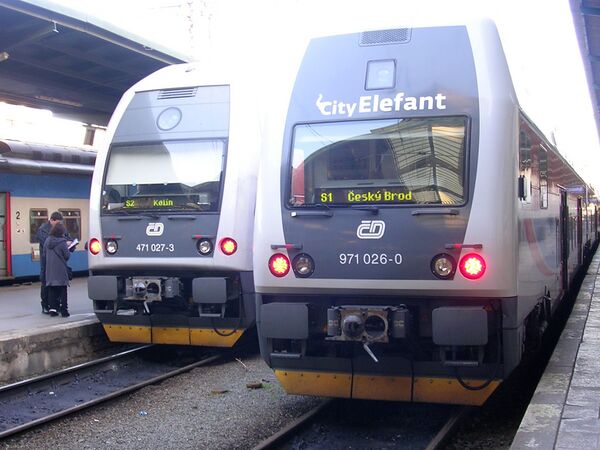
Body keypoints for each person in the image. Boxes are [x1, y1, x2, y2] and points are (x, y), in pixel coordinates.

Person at [36, 211, 65, 314]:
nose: (59, 225)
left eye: (60, 223)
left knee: (58, 283)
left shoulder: (60, 228)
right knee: (45, 282)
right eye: (57, 223)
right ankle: (45, 305)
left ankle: (56, 305)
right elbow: (47, 243)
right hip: (46, 261)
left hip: (59, 261)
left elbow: (68, 237)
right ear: (51, 220)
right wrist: (63, 242)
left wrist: (69, 243)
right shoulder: (43, 229)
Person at [43, 222, 71, 317]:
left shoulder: (47, 241)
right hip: (60, 269)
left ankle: (53, 310)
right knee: (63, 289)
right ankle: (64, 310)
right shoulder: (62, 242)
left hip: (50, 270)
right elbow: (67, 256)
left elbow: (44, 255)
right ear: (61, 232)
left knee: (52, 289)